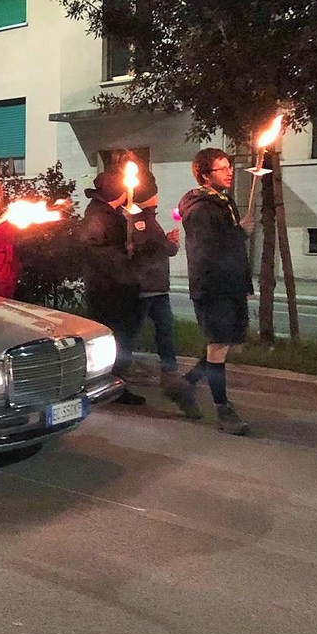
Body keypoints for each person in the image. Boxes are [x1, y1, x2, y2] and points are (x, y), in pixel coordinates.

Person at [168, 149, 253, 435]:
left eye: (229, 166)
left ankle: (185, 385)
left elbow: (230, 245)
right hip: (213, 286)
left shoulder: (223, 200)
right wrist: (239, 232)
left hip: (231, 283)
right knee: (218, 345)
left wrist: (243, 282)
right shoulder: (200, 208)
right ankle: (222, 409)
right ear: (205, 175)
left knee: (227, 342)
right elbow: (207, 251)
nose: (229, 171)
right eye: (221, 168)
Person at [78, 170, 144, 405]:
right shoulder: (98, 216)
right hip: (108, 290)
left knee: (124, 337)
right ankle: (111, 385)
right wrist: (122, 254)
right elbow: (92, 249)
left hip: (120, 286)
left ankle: (117, 382)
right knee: (116, 338)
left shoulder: (113, 214)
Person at [126, 172, 182, 394]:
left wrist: (165, 241)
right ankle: (120, 369)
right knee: (133, 331)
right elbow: (155, 247)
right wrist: (170, 243)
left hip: (156, 286)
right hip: (145, 285)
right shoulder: (139, 219)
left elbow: (154, 245)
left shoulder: (146, 218)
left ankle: (169, 372)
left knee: (165, 328)